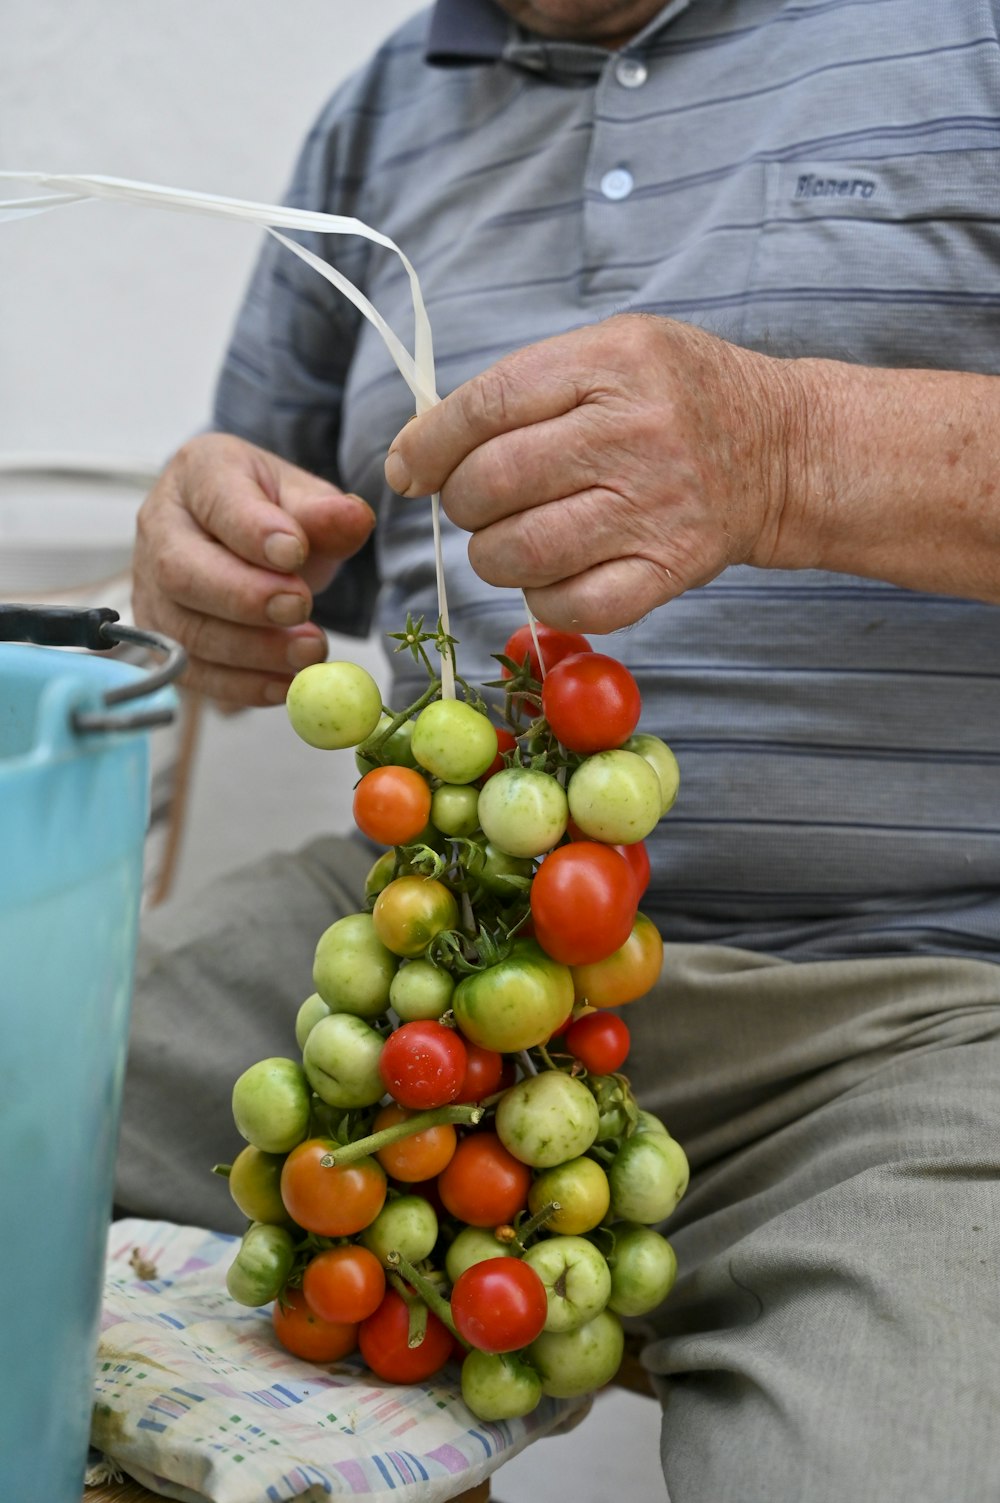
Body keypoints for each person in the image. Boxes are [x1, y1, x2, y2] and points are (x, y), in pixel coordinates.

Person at [118, 3, 1000, 1499]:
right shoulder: (385, 106)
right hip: (416, 949)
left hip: (919, 1011)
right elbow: (285, 546)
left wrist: (795, 449)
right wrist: (206, 550)